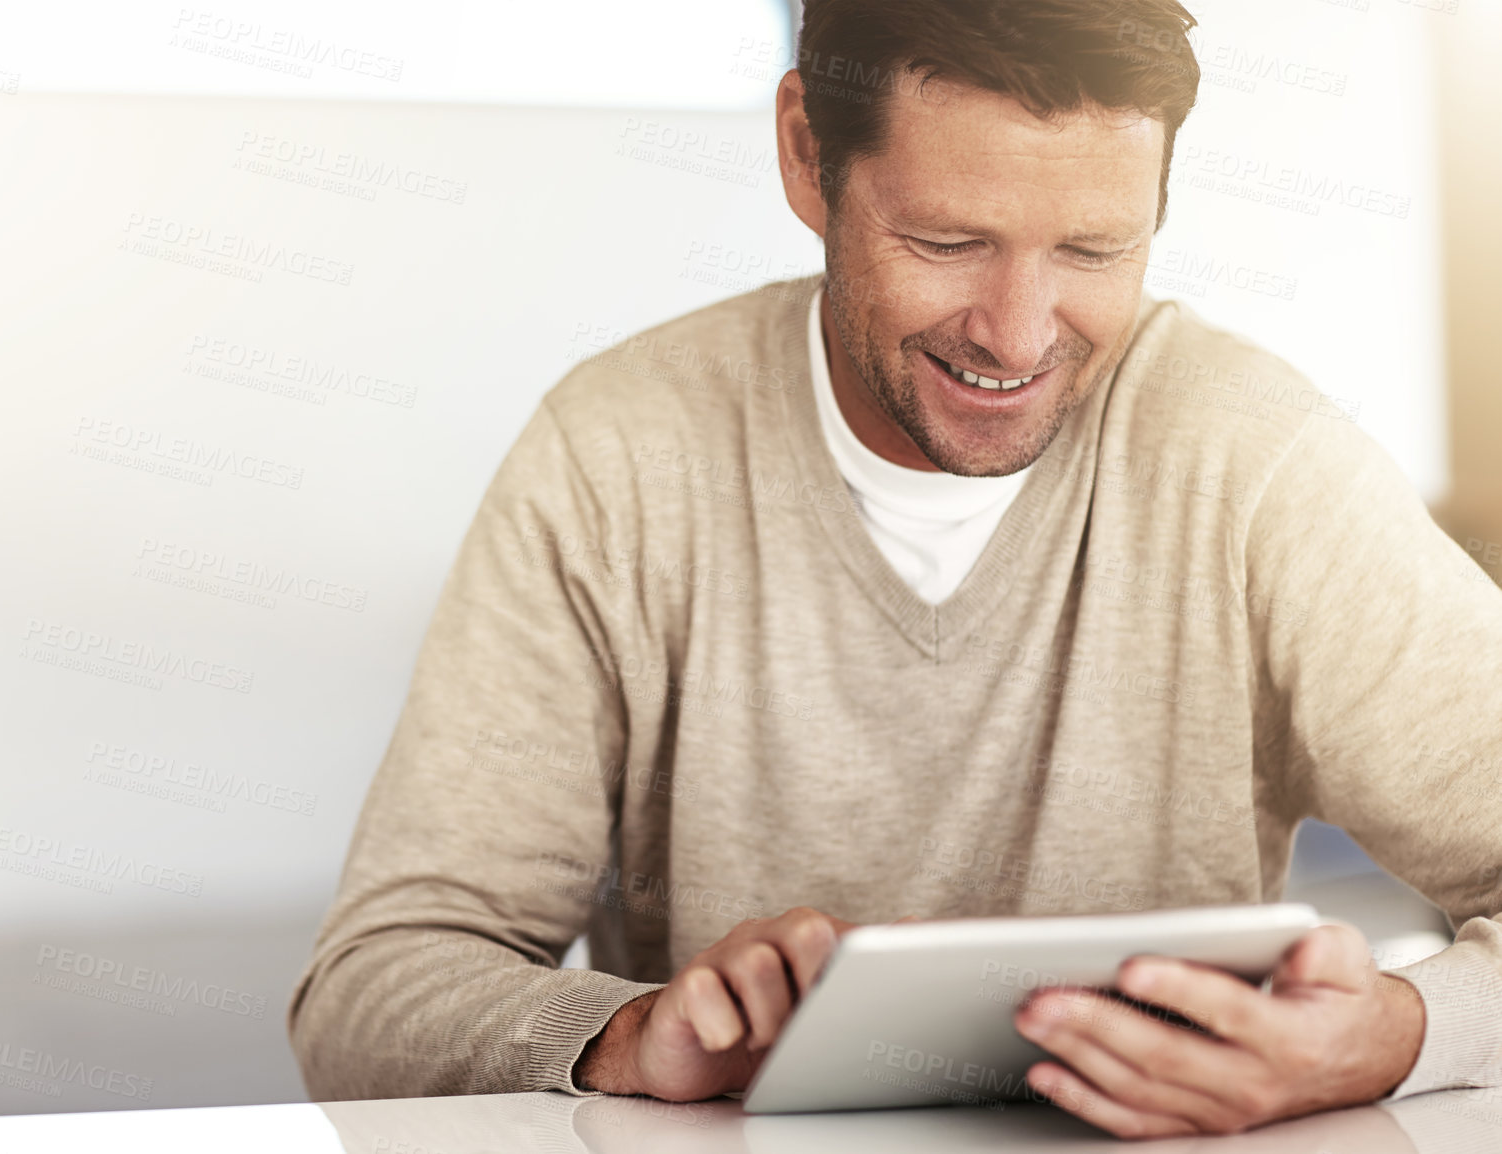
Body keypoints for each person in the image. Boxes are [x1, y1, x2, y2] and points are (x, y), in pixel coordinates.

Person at [290, 0, 1502, 1138]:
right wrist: (622, 1032)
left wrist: (1395, 1034)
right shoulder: (619, 455)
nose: (1019, 334)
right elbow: (374, 986)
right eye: (947, 240)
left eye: (1093, 248)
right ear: (806, 156)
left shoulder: (1254, 460)